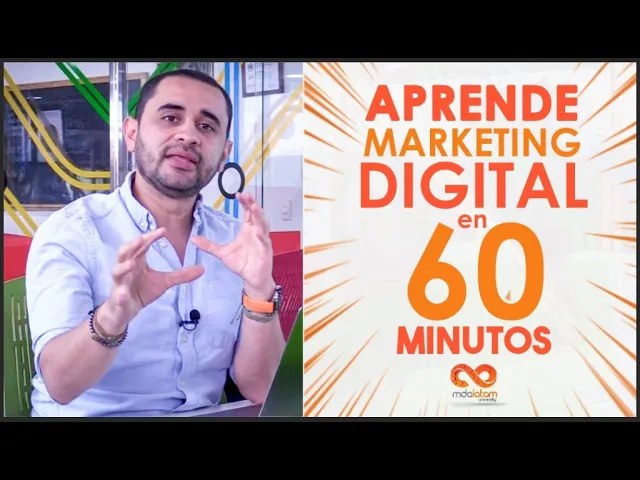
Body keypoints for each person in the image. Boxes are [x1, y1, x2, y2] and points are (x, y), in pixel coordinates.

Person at [25, 69, 286, 417]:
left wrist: (259, 292)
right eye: (170, 118)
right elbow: (60, 385)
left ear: (224, 153)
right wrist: (112, 317)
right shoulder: (72, 232)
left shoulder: (236, 241)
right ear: (132, 134)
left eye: (206, 126)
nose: (189, 135)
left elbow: (262, 390)